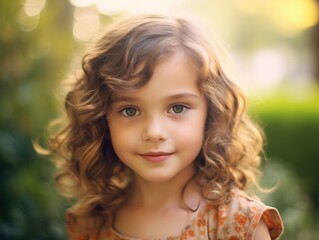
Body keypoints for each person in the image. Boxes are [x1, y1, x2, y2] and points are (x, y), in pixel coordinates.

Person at [48, 13, 283, 239]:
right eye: (130, 110)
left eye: (177, 108)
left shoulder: (238, 225)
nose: (154, 132)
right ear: (100, 119)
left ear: (212, 113)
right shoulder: (91, 223)